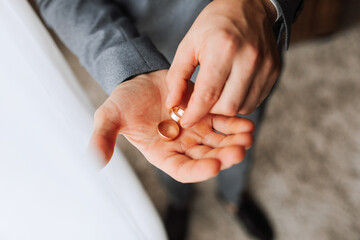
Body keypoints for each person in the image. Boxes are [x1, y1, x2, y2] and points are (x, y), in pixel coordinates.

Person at [35, 0, 303, 239]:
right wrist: (129, 67)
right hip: (150, 51)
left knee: (240, 141)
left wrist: (262, 5)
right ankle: (179, 202)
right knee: (167, 154)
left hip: (246, 55)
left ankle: (234, 197)